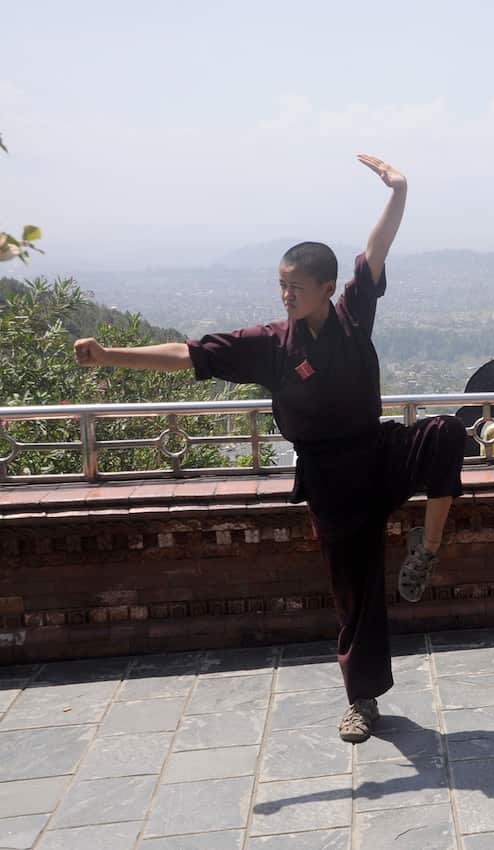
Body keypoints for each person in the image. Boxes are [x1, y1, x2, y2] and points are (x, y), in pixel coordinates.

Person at [73, 155, 465, 742]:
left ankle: (426, 547)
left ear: (327, 290)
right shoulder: (267, 346)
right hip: (332, 481)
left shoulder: (355, 313)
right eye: (280, 286)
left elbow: (376, 247)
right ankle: (362, 700)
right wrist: (111, 356)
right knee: (355, 594)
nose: (285, 296)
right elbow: (190, 354)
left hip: (379, 452)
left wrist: (400, 190)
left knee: (446, 434)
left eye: (295, 287)